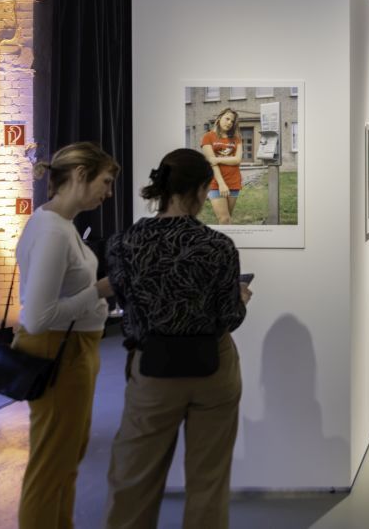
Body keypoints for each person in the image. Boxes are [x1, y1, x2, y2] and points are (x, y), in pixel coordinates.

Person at [104, 148, 251, 528]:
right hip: (212, 368)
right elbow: (230, 318)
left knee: (133, 479)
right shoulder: (218, 247)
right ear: (203, 190)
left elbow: (126, 306)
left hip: (153, 368)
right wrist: (239, 297)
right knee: (208, 483)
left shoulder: (125, 243)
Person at [13, 142, 119, 529]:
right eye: (105, 182)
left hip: (72, 351)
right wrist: (101, 290)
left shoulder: (58, 225)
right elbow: (39, 317)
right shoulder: (53, 231)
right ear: (79, 175)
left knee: (65, 461)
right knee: (50, 467)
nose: (108, 193)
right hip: (58, 351)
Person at [201, 107, 242, 225]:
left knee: (227, 218)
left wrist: (217, 159)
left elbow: (237, 160)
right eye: (227, 119)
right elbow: (211, 163)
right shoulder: (208, 137)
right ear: (219, 118)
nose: (229, 122)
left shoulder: (236, 138)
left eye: (232, 121)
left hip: (234, 181)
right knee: (224, 219)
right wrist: (221, 183)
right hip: (215, 182)